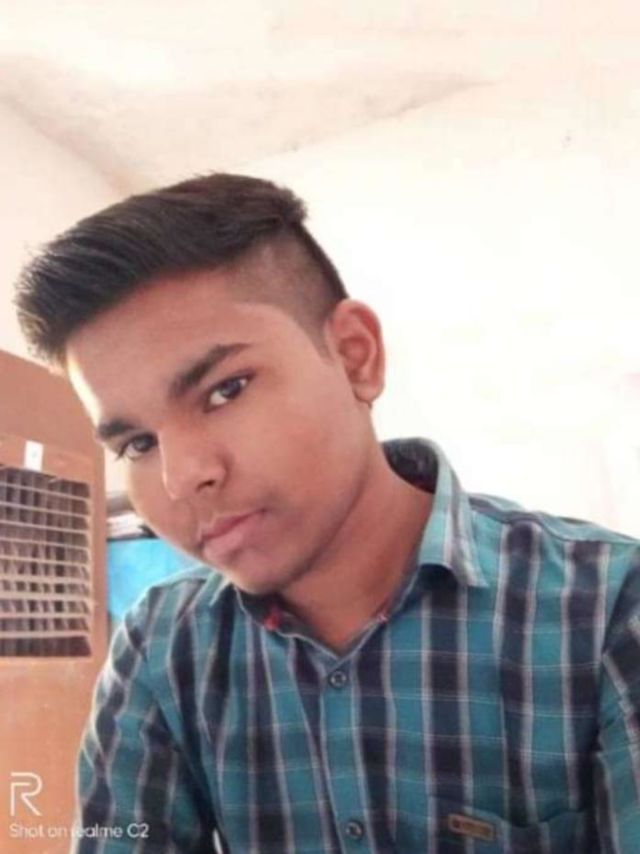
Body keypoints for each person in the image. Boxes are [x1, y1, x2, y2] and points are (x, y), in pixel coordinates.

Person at [15, 173, 640, 854]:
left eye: (226, 391)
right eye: (138, 444)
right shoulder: (162, 647)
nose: (182, 477)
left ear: (354, 357)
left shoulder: (606, 607)